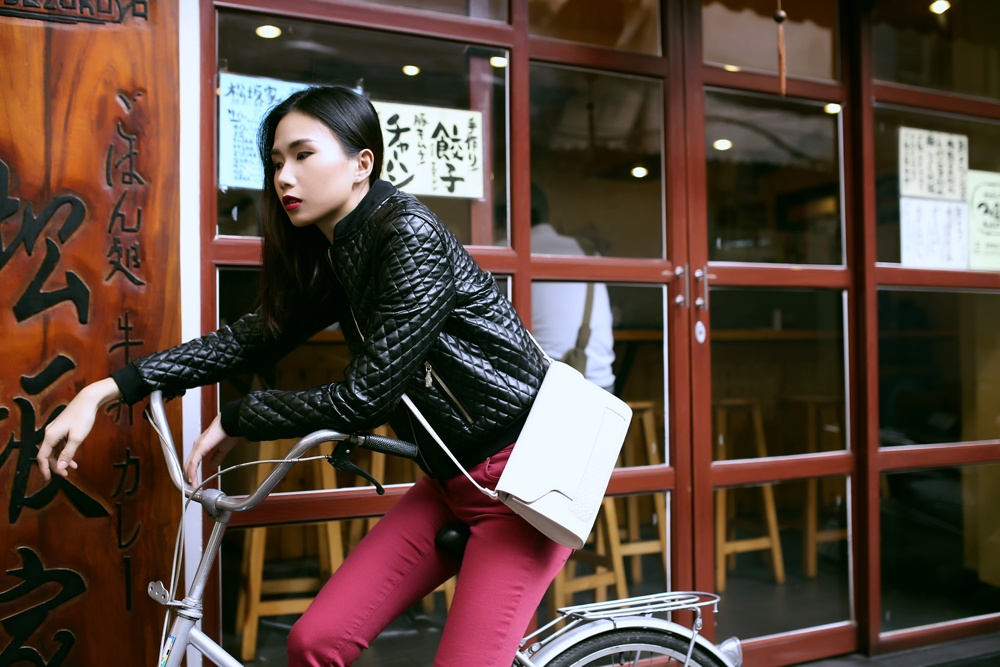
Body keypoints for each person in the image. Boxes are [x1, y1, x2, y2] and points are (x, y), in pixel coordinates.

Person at [36, 85, 571, 667]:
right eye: (275, 163)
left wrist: (241, 417)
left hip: (520, 486)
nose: (283, 177)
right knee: (314, 642)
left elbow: (364, 398)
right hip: (449, 479)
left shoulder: (407, 235)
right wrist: (108, 389)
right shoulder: (343, 249)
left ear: (362, 164)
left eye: (302, 155)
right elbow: (252, 337)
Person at [529, 184, 616, 393]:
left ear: (503, 218)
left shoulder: (507, 247)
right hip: (601, 384)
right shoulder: (588, 251)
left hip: (543, 388)